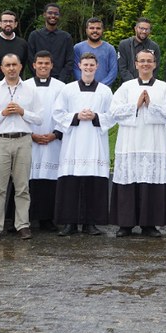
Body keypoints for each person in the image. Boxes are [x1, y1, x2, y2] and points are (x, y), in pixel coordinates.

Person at [107, 50, 166, 237]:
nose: (145, 64)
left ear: (155, 64)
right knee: (129, 179)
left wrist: (151, 105)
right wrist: (135, 105)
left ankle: (150, 225)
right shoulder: (126, 87)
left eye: (149, 61)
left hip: (154, 142)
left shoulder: (164, 88)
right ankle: (125, 224)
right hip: (130, 141)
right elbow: (114, 112)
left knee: (150, 181)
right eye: (142, 61)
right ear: (135, 64)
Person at [0, 54, 42, 241]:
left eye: (15, 64)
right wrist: (3, 113)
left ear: (21, 66)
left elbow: (39, 118)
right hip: (0, 141)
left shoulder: (30, 90)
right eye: (8, 65)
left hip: (23, 139)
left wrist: (23, 112)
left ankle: (22, 225)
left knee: (22, 186)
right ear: (2, 68)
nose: (12, 68)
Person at [53, 53, 114, 236]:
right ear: (79, 66)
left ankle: (91, 223)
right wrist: (76, 116)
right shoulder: (68, 89)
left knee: (93, 182)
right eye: (85, 64)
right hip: (74, 142)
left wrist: (96, 116)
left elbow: (112, 115)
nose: (88, 68)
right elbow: (57, 112)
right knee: (71, 182)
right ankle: (69, 223)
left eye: (91, 65)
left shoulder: (105, 91)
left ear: (97, 67)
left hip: (95, 142)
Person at [28, 51, 65, 232]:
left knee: (50, 178)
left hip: (53, 140)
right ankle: (25, 218)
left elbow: (64, 113)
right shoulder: (24, 86)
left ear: (52, 66)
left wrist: (56, 134)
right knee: (27, 178)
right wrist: (31, 135)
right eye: (40, 63)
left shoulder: (61, 87)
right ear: (34, 65)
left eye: (47, 63)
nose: (43, 66)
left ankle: (48, 219)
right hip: (30, 139)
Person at [27, 3, 75, 82]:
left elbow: (69, 61)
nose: (53, 16)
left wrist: (61, 81)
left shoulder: (66, 37)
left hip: (61, 82)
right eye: (50, 13)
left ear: (59, 16)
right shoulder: (34, 36)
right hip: (39, 81)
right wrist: (40, 77)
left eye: (56, 14)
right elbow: (30, 59)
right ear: (44, 15)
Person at [0, 11, 31, 83]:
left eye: (11, 21)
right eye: (5, 21)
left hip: (16, 85)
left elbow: (23, 64)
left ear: (15, 24)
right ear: (0, 23)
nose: (8, 24)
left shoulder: (23, 44)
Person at [73, 17, 118, 85]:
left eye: (98, 28)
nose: (95, 30)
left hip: (104, 90)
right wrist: (86, 84)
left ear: (102, 30)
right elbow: (75, 69)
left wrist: (100, 86)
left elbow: (113, 71)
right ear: (86, 30)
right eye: (91, 28)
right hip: (82, 90)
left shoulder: (110, 49)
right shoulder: (77, 48)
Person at [117, 17, 161, 82]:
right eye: (142, 28)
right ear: (135, 28)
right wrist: (135, 83)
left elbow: (155, 68)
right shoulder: (124, 45)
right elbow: (122, 68)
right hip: (128, 85)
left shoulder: (154, 47)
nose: (144, 31)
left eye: (147, 29)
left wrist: (146, 82)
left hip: (148, 85)